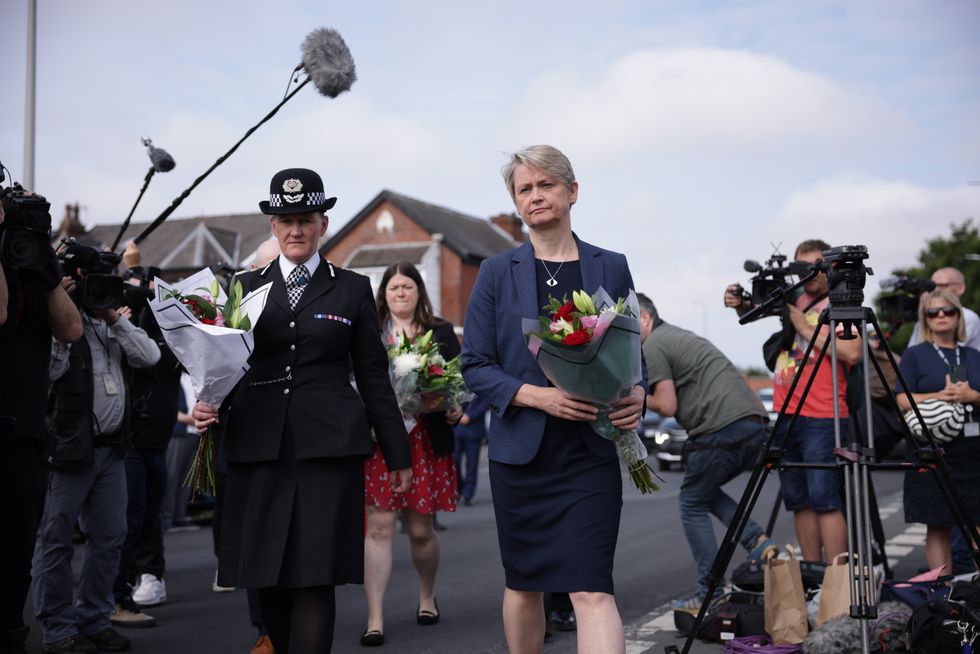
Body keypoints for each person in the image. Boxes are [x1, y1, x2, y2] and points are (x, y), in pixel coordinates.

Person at [192, 168, 411, 654]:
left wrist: (398, 454)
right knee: (265, 574)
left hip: (326, 450)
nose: (296, 230)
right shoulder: (242, 287)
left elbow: (373, 376)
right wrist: (208, 403)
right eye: (286, 221)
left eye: (306, 220)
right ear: (272, 225)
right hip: (257, 448)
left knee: (315, 575)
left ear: (322, 224)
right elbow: (224, 365)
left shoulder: (352, 288)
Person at [461, 144, 645, 654]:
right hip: (523, 457)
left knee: (592, 588)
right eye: (525, 189)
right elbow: (474, 363)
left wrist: (638, 393)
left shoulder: (612, 265)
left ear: (572, 191)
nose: (536, 195)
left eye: (546, 185)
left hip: (591, 452)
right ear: (516, 203)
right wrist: (538, 397)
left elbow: (633, 351)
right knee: (525, 586)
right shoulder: (495, 271)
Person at [34, 272, 161, 653]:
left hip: (112, 449)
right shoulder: (58, 321)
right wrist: (61, 316)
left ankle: (94, 618)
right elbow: (47, 373)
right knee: (56, 541)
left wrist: (113, 317)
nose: (95, 292)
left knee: (110, 538)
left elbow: (150, 356)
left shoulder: (110, 324)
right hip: (68, 450)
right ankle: (58, 628)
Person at [724, 239, 861, 563]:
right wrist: (739, 302)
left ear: (830, 266)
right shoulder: (794, 296)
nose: (809, 274)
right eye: (802, 267)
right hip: (787, 413)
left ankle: (836, 580)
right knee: (799, 502)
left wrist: (805, 327)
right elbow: (754, 311)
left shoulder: (841, 300)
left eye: (816, 267)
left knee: (825, 500)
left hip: (823, 415)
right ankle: (812, 574)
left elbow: (853, 352)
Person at [638, 293, 776, 613]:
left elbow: (666, 405)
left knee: (691, 502)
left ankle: (710, 593)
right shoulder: (678, 336)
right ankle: (756, 541)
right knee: (702, 492)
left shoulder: (654, 344)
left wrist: (632, 395)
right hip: (754, 426)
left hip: (722, 429)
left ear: (645, 318)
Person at [361, 261, 460, 647]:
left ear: (419, 291)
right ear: (383, 294)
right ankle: (374, 618)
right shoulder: (369, 332)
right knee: (379, 527)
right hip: (380, 443)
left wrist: (453, 407)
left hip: (425, 440)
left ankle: (427, 595)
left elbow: (456, 383)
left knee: (420, 531)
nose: (400, 293)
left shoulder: (440, 331)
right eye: (393, 288)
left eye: (407, 286)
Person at [0, 196, 83, 654]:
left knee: (16, 557)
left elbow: (71, 330)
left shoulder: (34, 272)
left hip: (25, 434)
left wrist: (45, 266)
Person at [112, 242, 181, 624]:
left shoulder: (173, 334)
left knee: (151, 513)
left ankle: (150, 575)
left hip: (159, 438)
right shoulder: (123, 327)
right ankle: (118, 591)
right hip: (131, 439)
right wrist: (130, 273)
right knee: (131, 516)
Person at [896, 289, 980, 570]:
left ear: (958, 316)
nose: (941, 315)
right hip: (931, 447)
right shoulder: (914, 354)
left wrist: (972, 396)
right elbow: (902, 400)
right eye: (933, 312)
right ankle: (941, 590)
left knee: (977, 520)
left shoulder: (974, 354)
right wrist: (939, 396)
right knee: (937, 522)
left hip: (973, 449)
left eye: (948, 310)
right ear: (925, 318)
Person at [907, 267, 980, 350]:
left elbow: (947, 354)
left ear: (960, 288)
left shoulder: (968, 317)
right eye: (932, 286)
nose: (936, 290)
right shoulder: (923, 320)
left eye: (943, 285)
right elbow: (912, 355)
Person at [454, 393, 487, 506]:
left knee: (472, 464)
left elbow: (485, 402)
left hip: (474, 429)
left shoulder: (480, 384)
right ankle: (458, 489)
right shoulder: (457, 384)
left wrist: (470, 417)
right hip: (457, 429)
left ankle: (468, 493)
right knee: (455, 461)